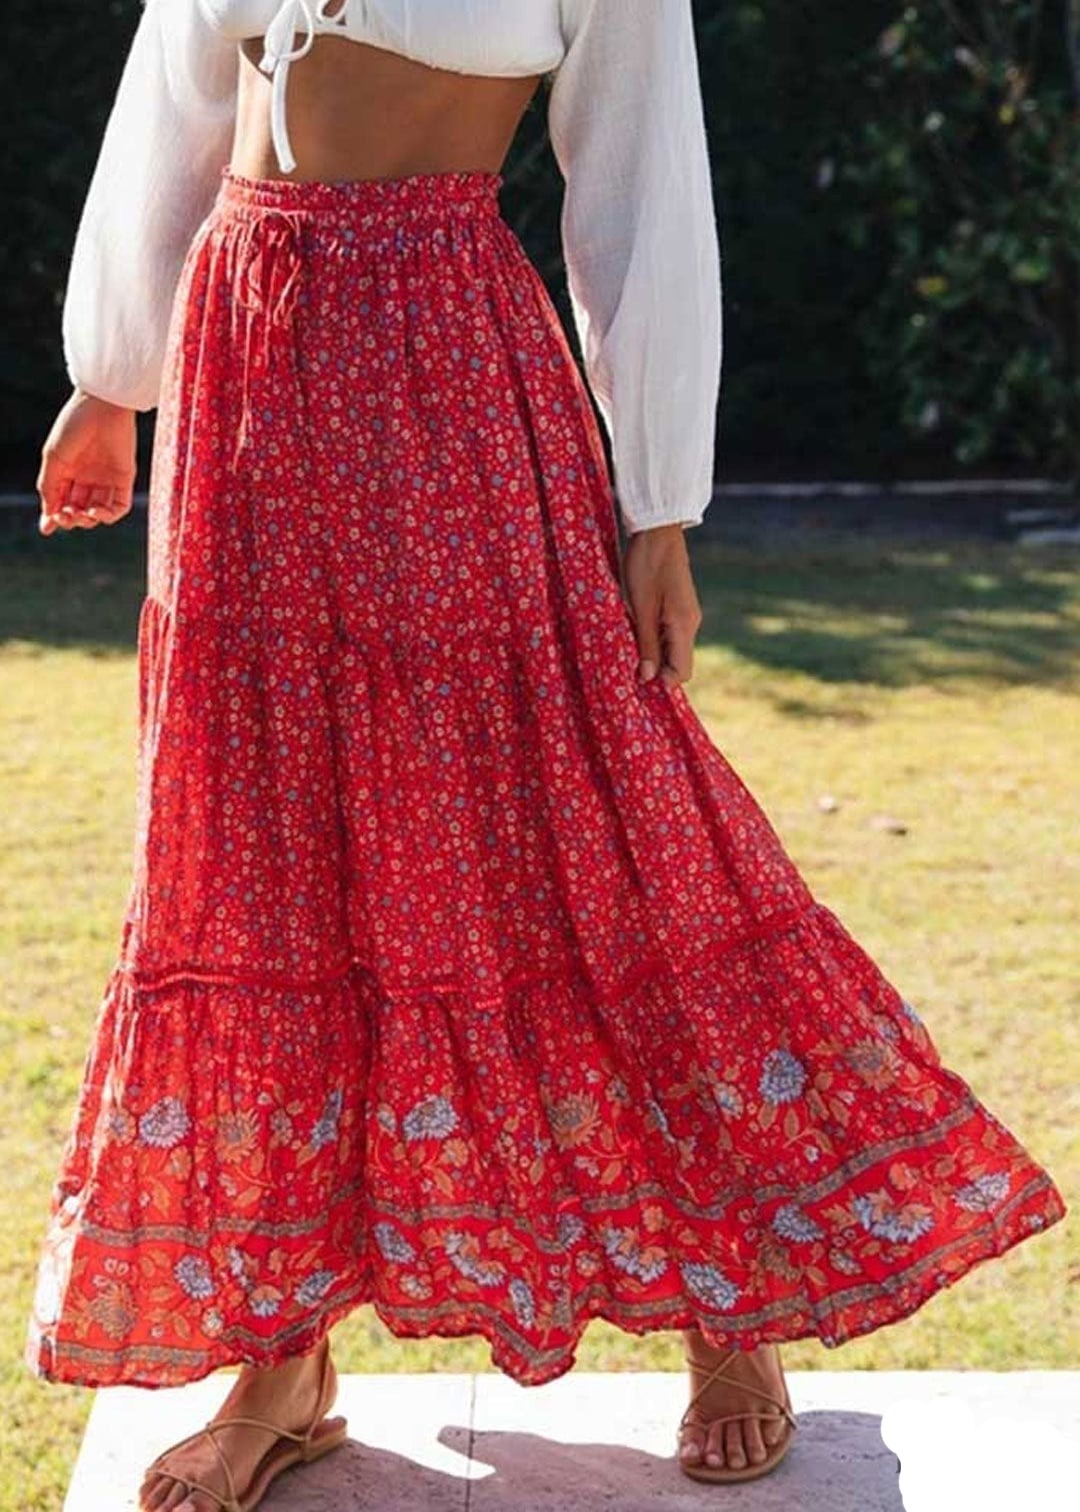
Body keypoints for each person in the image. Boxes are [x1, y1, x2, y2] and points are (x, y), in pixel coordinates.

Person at [26, 2, 1067, 1509]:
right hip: (246, 361)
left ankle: (737, 1302)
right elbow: (174, 98)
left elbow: (644, 191)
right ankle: (284, 1357)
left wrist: (659, 503)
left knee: (587, 827)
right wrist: (112, 375)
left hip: (446, 368)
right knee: (271, 850)